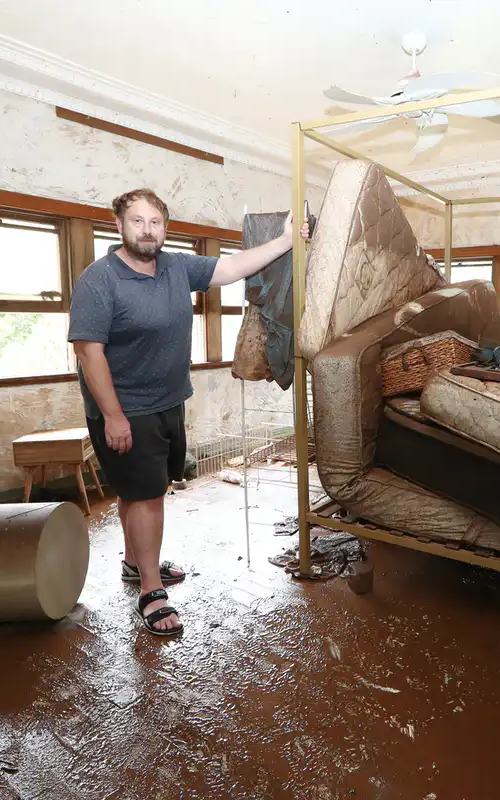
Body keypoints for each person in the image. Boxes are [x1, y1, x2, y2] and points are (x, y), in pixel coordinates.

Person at [68, 188, 309, 636]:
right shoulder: (99, 280)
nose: (147, 230)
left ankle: (132, 563)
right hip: (125, 408)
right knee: (148, 496)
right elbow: (90, 354)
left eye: (155, 222)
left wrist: (287, 241)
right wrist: (115, 416)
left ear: (165, 228)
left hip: (167, 400)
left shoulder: (177, 266)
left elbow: (232, 267)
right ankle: (152, 592)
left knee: (135, 490)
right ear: (119, 226)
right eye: (137, 221)